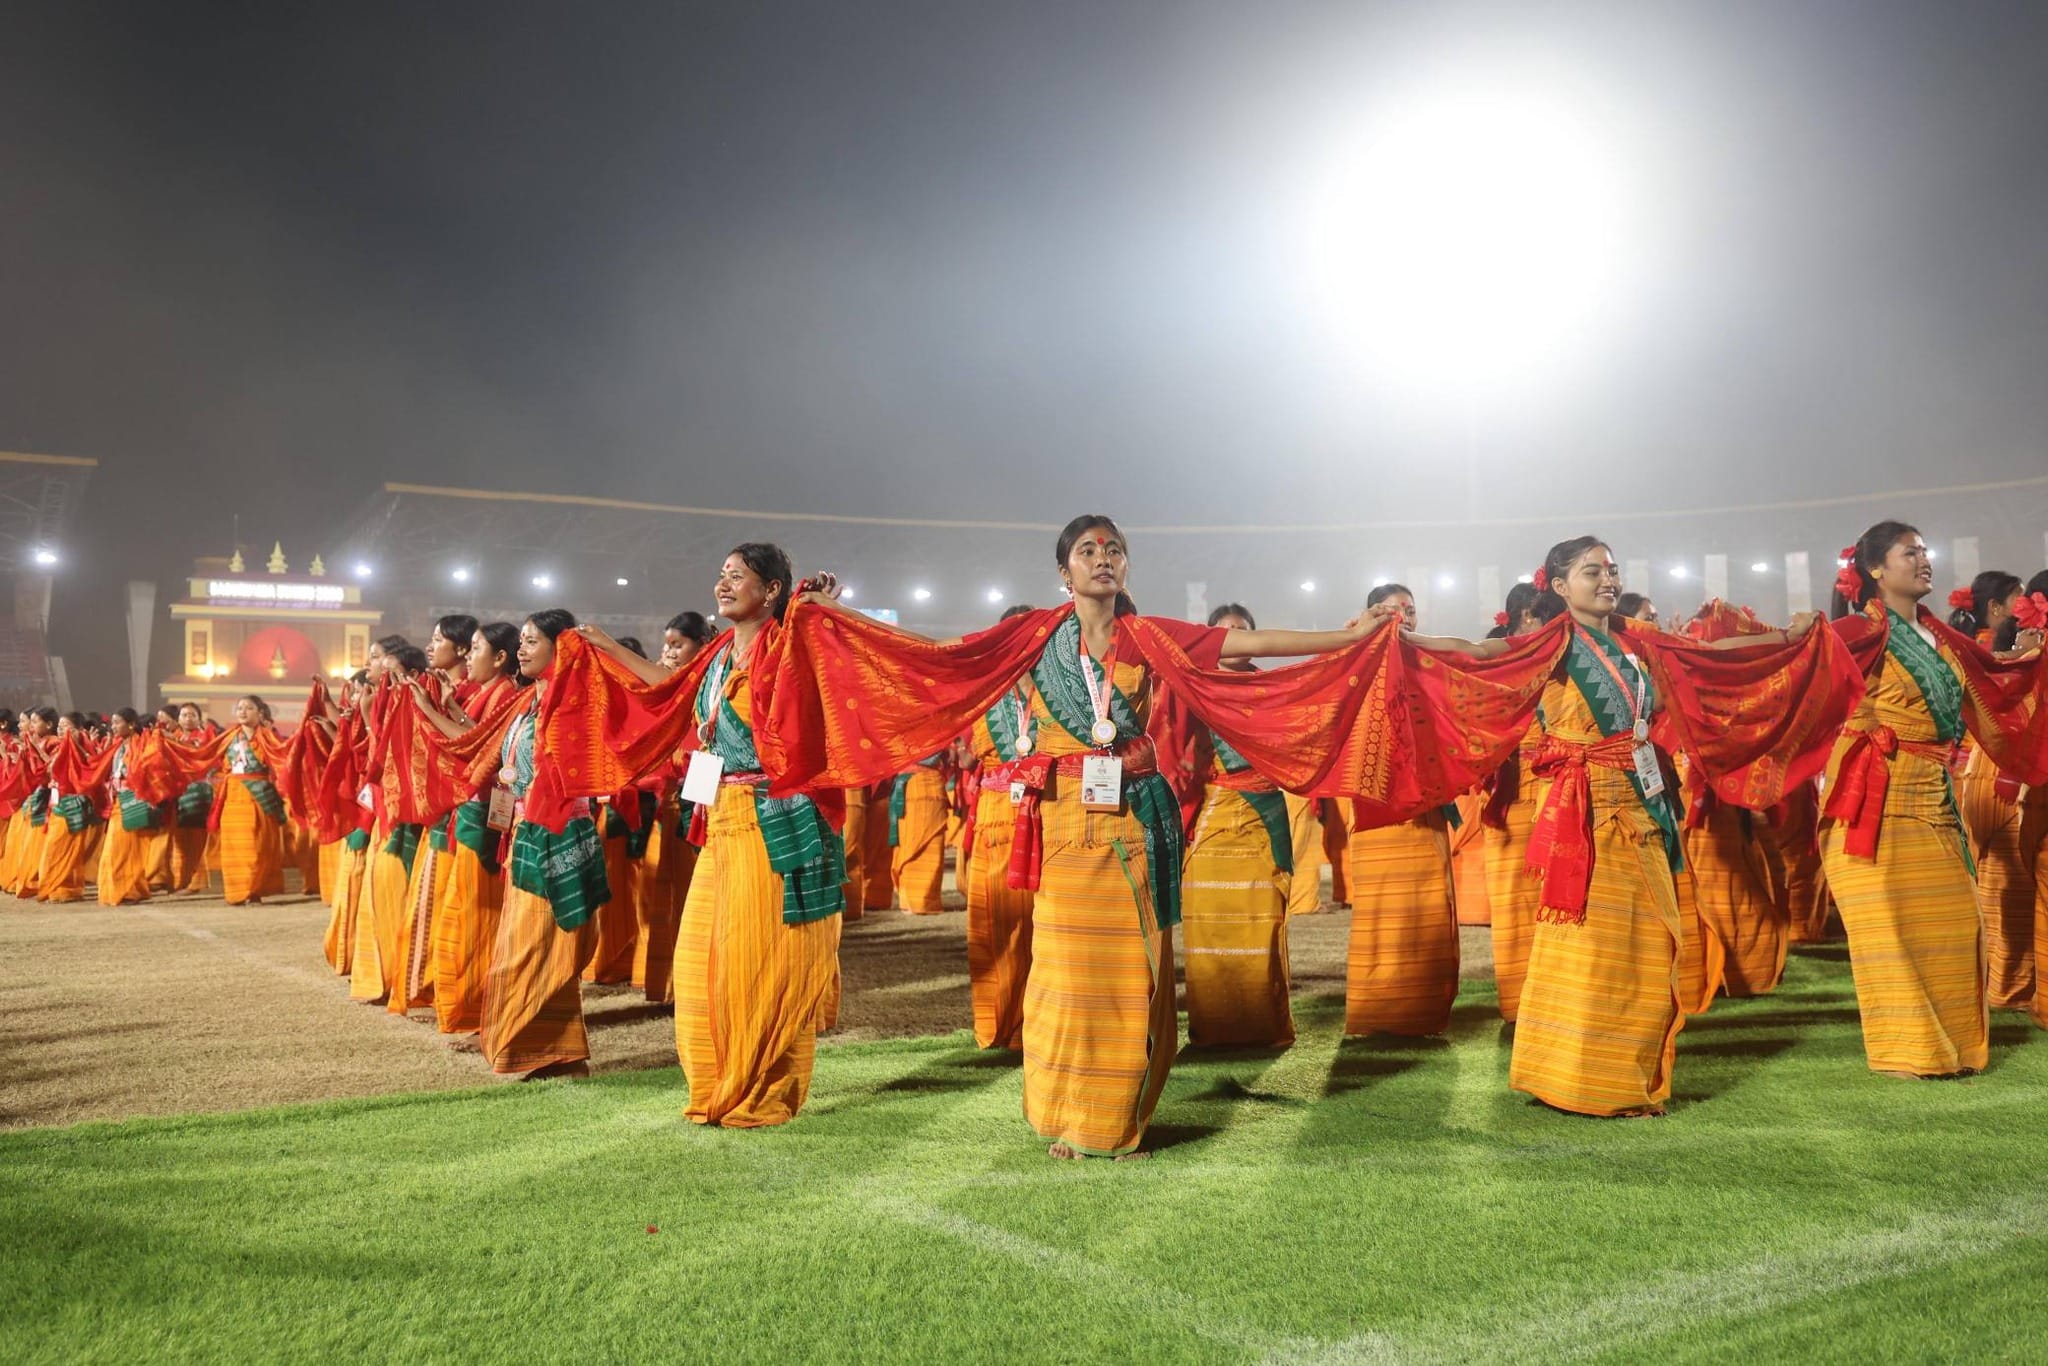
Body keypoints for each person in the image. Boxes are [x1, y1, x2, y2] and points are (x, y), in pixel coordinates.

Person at [1410, 536, 1845, 1116]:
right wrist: (1403, 638)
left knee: (1647, 941)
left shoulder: (1634, 639)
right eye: (1592, 572)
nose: (1607, 580)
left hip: (1641, 805)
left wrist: (1789, 638)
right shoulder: (1552, 641)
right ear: (1559, 587)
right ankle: (1579, 1078)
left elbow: (1709, 653)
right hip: (1583, 811)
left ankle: (1611, 1069)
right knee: (1591, 943)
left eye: (1612, 570)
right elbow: (1477, 653)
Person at [1821, 525, 2048, 1077]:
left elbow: (1995, 684)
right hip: (1875, 798)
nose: (1924, 560)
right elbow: (1794, 672)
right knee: (1892, 931)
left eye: (1925, 551)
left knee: (1959, 926)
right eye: (1910, 553)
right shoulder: (1852, 631)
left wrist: (2033, 656)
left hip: (1936, 799)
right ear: (1876, 569)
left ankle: (1953, 1049)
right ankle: (1909, 1053)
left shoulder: (1938, 635)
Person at [412, 609, 606, 1076]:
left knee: (543, 945)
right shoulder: (525, 704)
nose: (522, 649)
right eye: (521, 640)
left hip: (559, 834)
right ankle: (554, 1049)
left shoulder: (575, 702)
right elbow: (477, 746)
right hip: (524, 830)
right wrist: (428, 710)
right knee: (529, 943)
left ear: (562, 649)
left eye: (533, 641)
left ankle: (546, 1047)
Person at [1343, 583, 1463, 1037]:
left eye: (1410, 610)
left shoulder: (1428, 663)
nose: (1404, 617)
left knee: (1428, 905)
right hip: (1378, 803)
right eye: (1392, 610)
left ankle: (1425, 1014)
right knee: (1380, 913)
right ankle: (1376, 1014)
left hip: (1426, 805)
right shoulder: (1353, 660)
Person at [1178, 602, 1298, 1047]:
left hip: (1261, 810)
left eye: (1241, 630)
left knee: (1260, 919)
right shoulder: (1188, 685)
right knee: (1208, 919)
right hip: (1210, 811)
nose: (1232, 637)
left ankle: (1263, 1027)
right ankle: (1213, 1027)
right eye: (1224, 631)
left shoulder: (1272, 687)